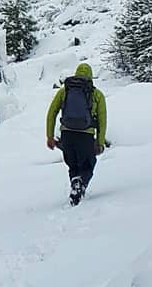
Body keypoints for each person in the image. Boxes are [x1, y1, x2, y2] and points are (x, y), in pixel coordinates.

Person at [45, 62, 107, 206]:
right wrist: (100, 142)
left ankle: (75, 185)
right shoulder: (97, 94)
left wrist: (49, 136)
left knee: (73, 165)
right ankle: (80, 184)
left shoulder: (64, 91)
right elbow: (102, 121)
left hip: (67, 134)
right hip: (85, 135)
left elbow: (52, 113)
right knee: (88, 164)